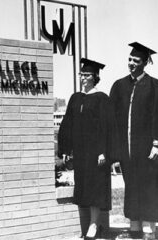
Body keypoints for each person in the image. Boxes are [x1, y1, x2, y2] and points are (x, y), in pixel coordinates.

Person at [110, 42, 158, 240]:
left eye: (136, 60)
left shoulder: (155, 86)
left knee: (149, 186)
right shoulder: (119, 86)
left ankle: (149, 229)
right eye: (130, 59)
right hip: (127, 149)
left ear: (145, 63)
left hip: (147, 148)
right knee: (132, 185)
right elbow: (113, 121)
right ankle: (134, 226)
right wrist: (115, 150)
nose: (131, 63)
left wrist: (156, 144)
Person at [58, 58, 120, 239]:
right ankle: (88, 225)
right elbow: (67, 124)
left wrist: (103, 151)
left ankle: (94, 224)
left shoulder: (102, 99)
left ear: (95, 77)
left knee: (95, 188)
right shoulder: (75, 98)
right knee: (84, 187)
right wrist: (65, 148)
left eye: (87, 75)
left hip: (96, 153)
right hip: (80, 151)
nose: (83, 78)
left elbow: (106, 127)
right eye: (82, 74)